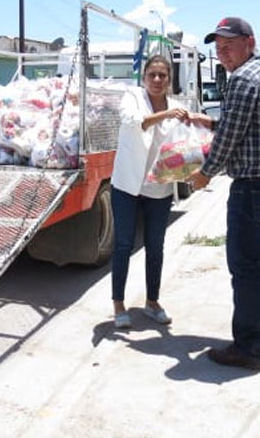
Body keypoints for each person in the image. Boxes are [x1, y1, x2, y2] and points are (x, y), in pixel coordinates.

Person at [187, 17, 260, 371]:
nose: (222, 54)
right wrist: (212, 122)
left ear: (250, 42)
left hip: (254, 189)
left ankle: (250, 348)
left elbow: (230, 139)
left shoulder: (244, 78)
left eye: (229, 46)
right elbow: (254, 123)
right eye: (218, 48)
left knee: (246, 268)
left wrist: (204, 173)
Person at [110, 55, 189, 329]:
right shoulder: (132, 96)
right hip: (127, 186)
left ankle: (152, 302)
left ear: (169, 80)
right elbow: (133, 122)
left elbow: (185, 144)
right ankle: (119, 305)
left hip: (159, 188)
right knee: (123, 244)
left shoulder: (178, 107)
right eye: (152, 75)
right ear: (144, 77)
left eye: (162, 76)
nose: (157, 80)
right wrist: (165, 115)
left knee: (156, 247)